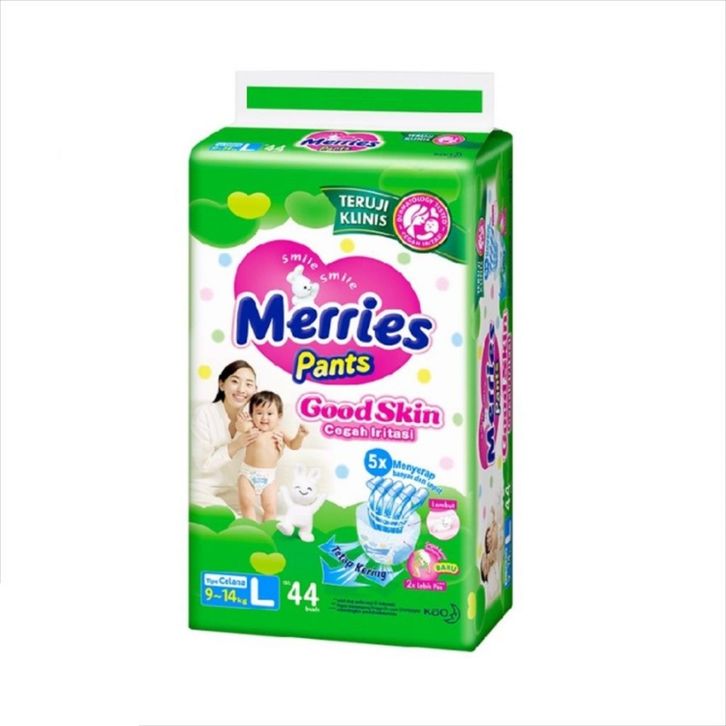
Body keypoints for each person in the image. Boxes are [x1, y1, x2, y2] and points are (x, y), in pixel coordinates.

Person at [190, 360, 283, 513]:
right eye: (235, 381)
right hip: (204, 487)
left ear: (255, 390)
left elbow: (263, 459)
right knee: (213, 508)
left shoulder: (258, 419)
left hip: (237, 488)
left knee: (258, 515)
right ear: (221, 384)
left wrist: (278, 449)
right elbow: (203, 465)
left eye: (249, 384)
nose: (241, 389)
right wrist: (237, 444)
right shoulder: (203, 414)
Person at [237, 390, 308, 522]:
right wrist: (242, 422)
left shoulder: (279, 432)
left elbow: (293, 445)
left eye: (270, 413)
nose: (264, 418)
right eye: (259, 413)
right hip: (248, 475)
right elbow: (241, 427)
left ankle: (268, 529)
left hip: (268, 477)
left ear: (279, 416)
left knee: (270, 508)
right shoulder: (252, 428)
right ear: (252, 415)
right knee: (246, 505)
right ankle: (250, 528)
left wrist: (300, 436)